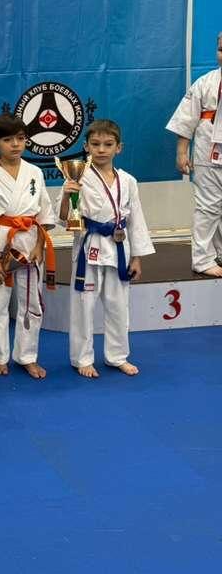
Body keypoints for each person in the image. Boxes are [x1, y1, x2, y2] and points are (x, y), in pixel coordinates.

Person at [59, 119, 154, 377]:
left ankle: (117, 356)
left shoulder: (128, 181)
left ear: (119, 148)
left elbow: (136, 221)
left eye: (108, 144)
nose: (101, 149)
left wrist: (137, 257)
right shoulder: (77, 175)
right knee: (83, 306)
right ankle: (82, 359)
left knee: (118, 306)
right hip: (88, 247)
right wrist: (67, 195)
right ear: (86, 147)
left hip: (118, 249)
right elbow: (64, 218)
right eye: (96, 144)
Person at [0, 114, 56, 379]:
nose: (15, 145)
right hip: (1, 240)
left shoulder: (35, 172)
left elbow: (45, 212)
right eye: (8, 140)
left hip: (30, 239)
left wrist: (40, 246)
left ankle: (27, 356)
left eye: (20, 139)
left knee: (32, 301)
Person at [166, 32, 222, 277]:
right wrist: (182, 152)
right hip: (208, 152)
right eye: (221, 49)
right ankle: (202, 259)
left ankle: (219, 252)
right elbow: (186, 120)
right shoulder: (205, 83)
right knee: (209, 207)